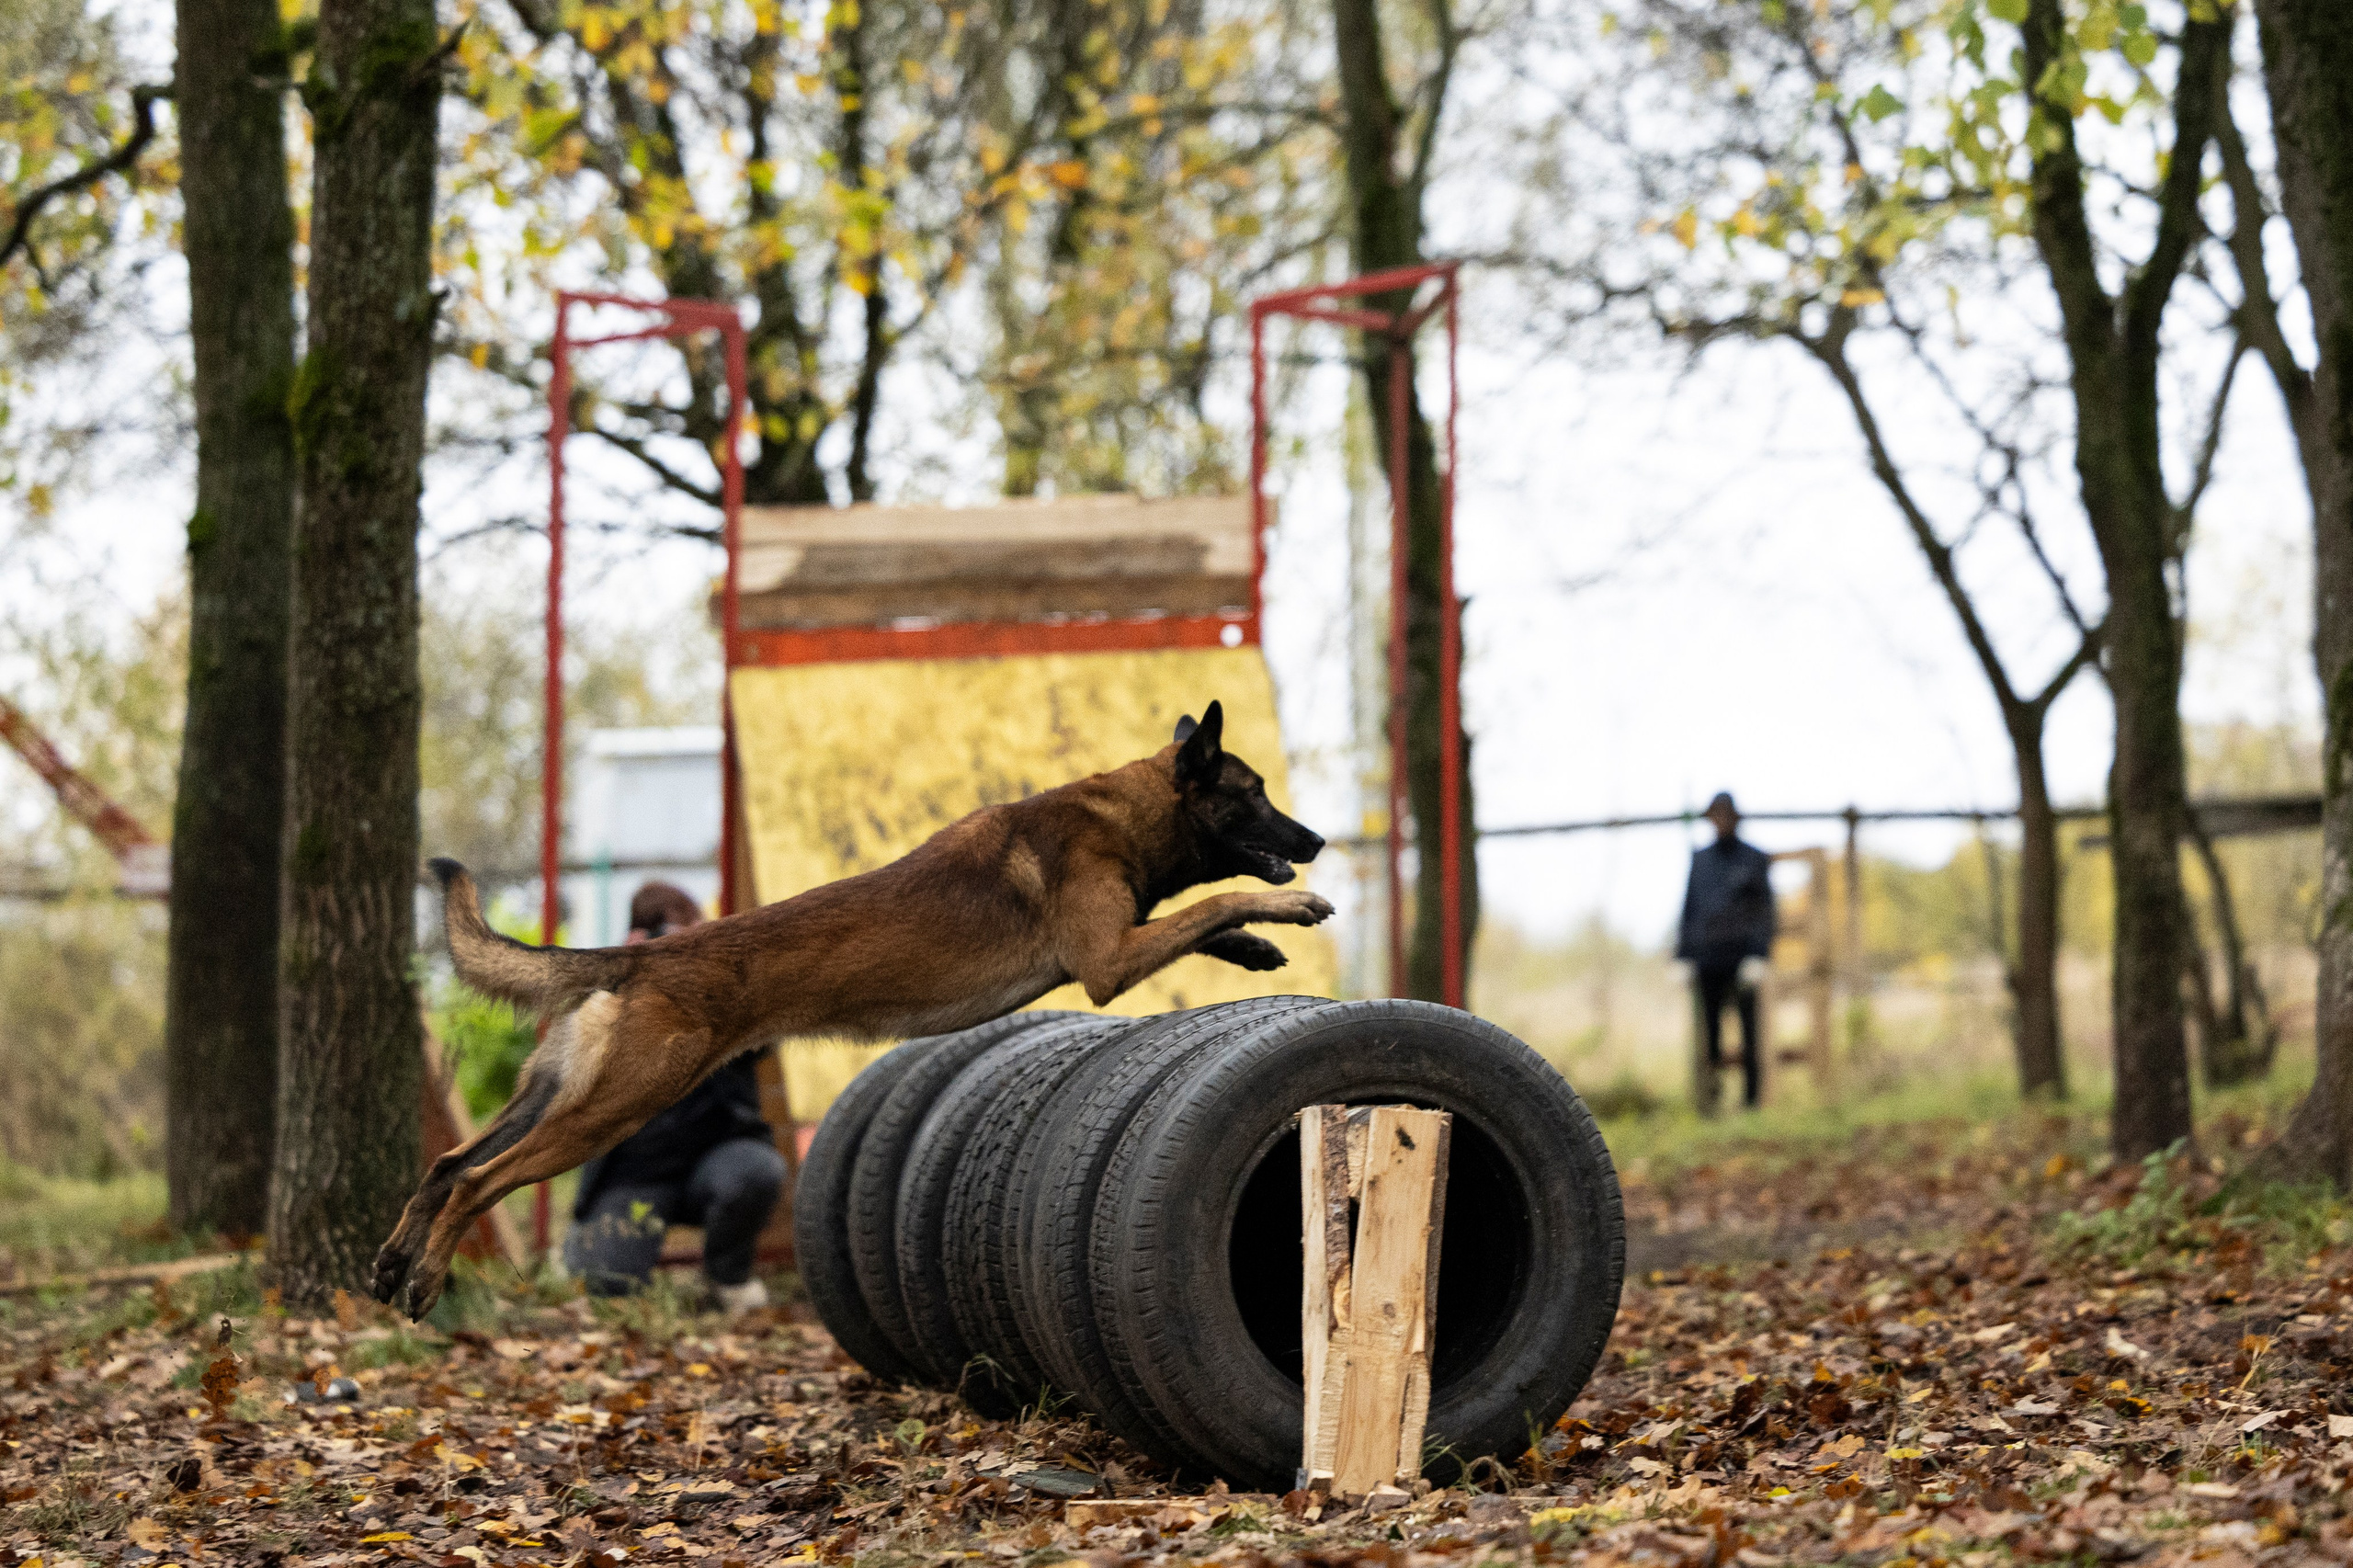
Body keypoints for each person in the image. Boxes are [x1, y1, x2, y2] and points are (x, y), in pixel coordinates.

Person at [563, 881, 785, 1312]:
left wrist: (720, 972)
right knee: (606, 1289)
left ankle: (726, 1282)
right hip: (637, 1176)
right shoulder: (611, 1000)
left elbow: (766, 1037)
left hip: (717, 1160)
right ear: (638, 941)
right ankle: (587, 1254)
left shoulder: (722, 992)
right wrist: (623, 983)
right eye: (665, 936)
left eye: (688, 935)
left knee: (756, 1173)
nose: (677, 949)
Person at [1675, 792, 1777, 1110]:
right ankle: (1712, 1101)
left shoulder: (1754, 858)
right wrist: (1683, 955)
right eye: (1714, 816)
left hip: (1743, 958)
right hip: (1708, 961)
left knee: (1750, 1033)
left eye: (1724, 815)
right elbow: (1689, 907)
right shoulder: (1700, 859)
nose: (1719, 822)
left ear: (1735, 818)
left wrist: (1759, 954)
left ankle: (1751, 1101)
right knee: (1710, 1035)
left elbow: (1765, 910)